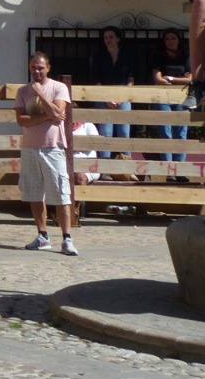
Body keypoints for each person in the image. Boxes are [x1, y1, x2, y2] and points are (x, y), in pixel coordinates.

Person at [14, 52, 76, 256]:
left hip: (53, 146)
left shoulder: (58, 88)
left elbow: (59, 114)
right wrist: (46, 117)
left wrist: (40, 95)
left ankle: (67, 238)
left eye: (40, 67)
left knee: (60, 192)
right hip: (30, 146)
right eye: (33, 67)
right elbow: (22, 120)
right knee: (34, 192)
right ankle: (42, 235)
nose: (36, 71)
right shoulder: (22, 91)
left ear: (48, 67)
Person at [151, 28, 191, 168]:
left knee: (181, 131)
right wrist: (179, 79)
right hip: (163, 96)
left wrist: (171, 78)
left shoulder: (186, 56)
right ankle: (168, 167)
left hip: (182, 96)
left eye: (173, 38)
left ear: (179, 40)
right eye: (167, 39)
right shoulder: (158, 56)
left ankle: (180, 167)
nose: (170, 41)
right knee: (165, 130)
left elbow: (190, 79)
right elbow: (157, 79)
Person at [88, 26, 135, 143]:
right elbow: (96, 79)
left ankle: (125, 159)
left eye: (111, 37)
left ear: (118, 39)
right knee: (106, 132)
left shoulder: (127, 55)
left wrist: (124, 97)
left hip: (124, 95)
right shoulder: (98, 56)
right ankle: (105, 160)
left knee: (124, 132)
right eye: (105, 37)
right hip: (104, 96)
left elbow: (131, 78)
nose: (108, 40)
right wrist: (106, 98)